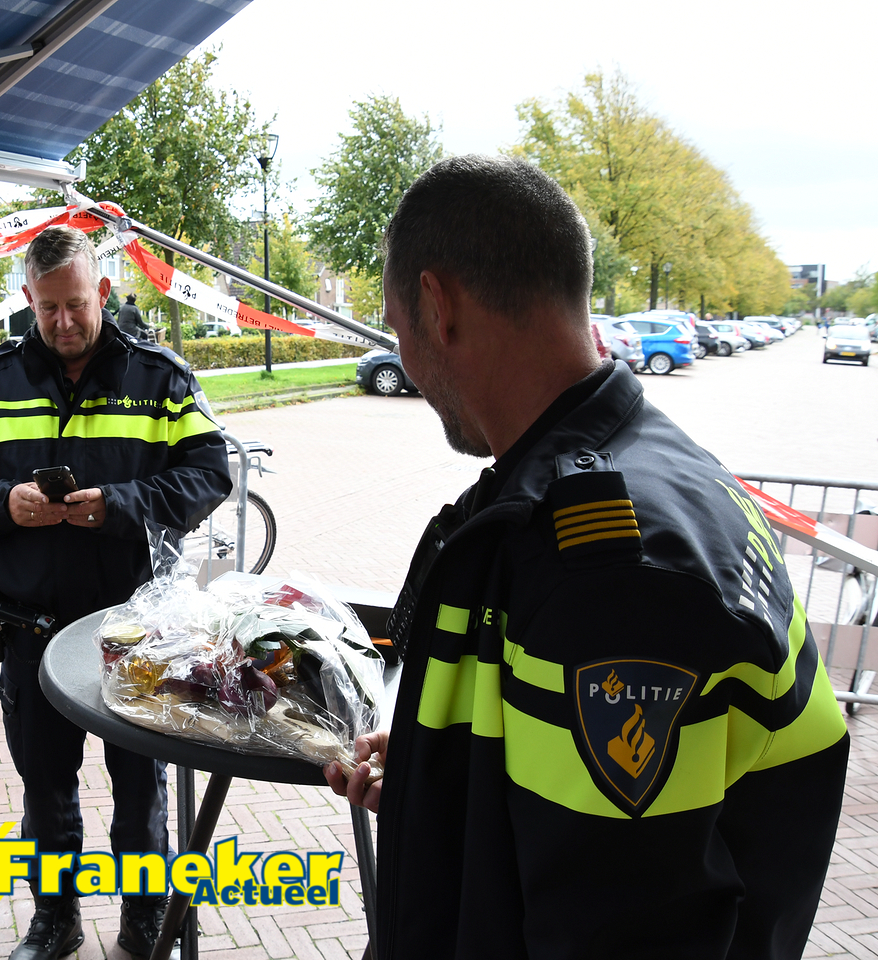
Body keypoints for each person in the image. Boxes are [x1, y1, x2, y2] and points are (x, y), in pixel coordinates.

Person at [323, 156, 848, 960]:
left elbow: (616, 933)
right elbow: (585, 817)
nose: (409, 363)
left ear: (436, 303)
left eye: (398, 327)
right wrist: (442, 771)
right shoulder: (657, 473)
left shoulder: (606, 578)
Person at [0, 226, 231, 960]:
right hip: (30, 628)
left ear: (102, 291)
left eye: (76, 305)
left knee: (141, 788)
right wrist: (5, 504)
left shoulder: (158, 377)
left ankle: (144, 916)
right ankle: (54, 919)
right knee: (45, 788)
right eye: (48, 309)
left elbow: (209, 473)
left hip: (135, 632)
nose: (63, 322)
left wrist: (119, 506)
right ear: (27, 299)